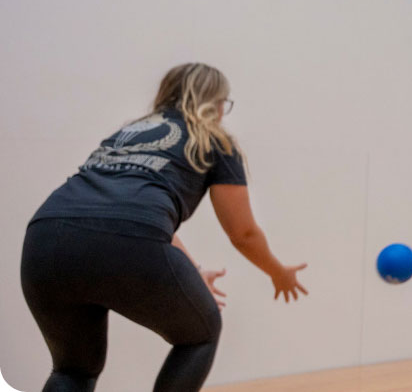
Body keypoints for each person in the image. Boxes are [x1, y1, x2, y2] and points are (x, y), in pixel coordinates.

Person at [20, 63, 307, 392]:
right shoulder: (214, 140)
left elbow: (129, 211)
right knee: (201, 332)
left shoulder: (128, 132)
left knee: (74, 370)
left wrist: (194, 269)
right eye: (223, 104)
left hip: (45, 241)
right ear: (213, 103)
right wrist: (277, 271)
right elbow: (243, 234)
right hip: (128, 240)